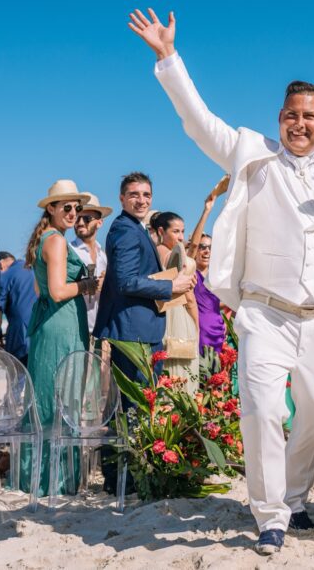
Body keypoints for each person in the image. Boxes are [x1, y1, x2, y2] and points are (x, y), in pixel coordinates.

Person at [131, 6, 314, 554]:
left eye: (310, 116)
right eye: (292, 115)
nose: (299, 124)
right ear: (280, 117)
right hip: (263, 312)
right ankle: (270, 515)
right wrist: (169, 58)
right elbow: (199, 121)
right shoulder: (252, 155)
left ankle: (297, 498)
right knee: (260, 408)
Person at [94, 172, 195, 494]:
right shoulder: (124, 230)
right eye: (134, 194)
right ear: (122, 199)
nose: (141, 200)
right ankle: (123, 479)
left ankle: (126, 478)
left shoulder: (136, 229)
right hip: (132, 331)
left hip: (140, 328)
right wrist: (171, 286)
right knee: (133, 406)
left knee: (135, 406)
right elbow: (124, 281)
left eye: (146, 195)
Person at [19, 180, 99, 496]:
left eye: (76, 207)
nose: (72, 212)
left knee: (50, 398)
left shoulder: (48, 239)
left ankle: (41, 477)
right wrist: (87, 286)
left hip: (54, 322)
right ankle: (55, 480)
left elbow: (42, 291)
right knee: (60, 400)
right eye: (65, 206)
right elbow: (55, 291)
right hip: (61, 325)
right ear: (50, 208)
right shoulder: (55, 242)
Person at [150, 210, 201, 391]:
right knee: (182, 374)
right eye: (176, 231)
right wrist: (196, 325)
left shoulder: (153, 253)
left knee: (165, 375)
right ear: (161, 231)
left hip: (160, 317)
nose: (180, 237)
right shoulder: (174, 255)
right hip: (179, 317)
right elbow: (189, 297)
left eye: (182, 231)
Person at [186, 176, 230, 356]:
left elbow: (227, 304)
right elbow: (193, 245)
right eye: (202, 247)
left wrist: (227, 324)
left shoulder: (217, 276)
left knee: (218, 380)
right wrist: (207, 211)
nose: (206, 251)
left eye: (210, 248)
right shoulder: (190, 271)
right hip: (199, 331)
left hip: (218, 332)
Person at [70, 193, 112, 337]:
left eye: (86, 218)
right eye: (77, 217)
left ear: (99, 223)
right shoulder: (68, 251)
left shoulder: (104, 256)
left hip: (100, 330)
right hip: (75, 329)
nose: (80, 222)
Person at [0, 252, 37, 366]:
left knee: (17, 376)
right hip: (39, 332)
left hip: (19, 334)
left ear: (0, 265)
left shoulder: (7, 275)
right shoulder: (33, 268)